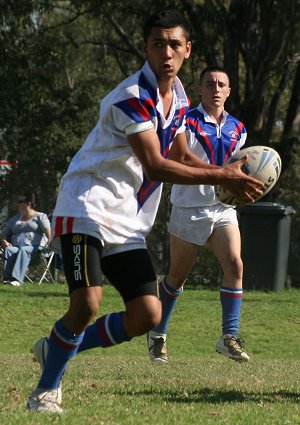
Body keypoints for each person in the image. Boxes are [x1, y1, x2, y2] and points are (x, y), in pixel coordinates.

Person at [27, 10, 263, 414]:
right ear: (145, 49)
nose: (166, 53)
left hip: (126, 220)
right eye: (158, 44)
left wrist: (221, 178)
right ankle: (45, 393)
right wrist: (223, 173)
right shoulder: (132, 96)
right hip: (86, 204)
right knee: (87, 303)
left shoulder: (182, 98)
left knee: (147, 314)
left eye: (174, 45)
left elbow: (179, 153)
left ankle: (56, 347)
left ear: (187, 50)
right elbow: (155, 165)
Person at [147, 66, 250, 364]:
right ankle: (158, 336)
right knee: (177, 277)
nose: (216, 88)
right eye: (210, 83)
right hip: (189, 207)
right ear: (200, 89)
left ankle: (228, 337)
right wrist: (220, 175)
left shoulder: (239, 128)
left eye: (222, 84)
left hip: (223, 209)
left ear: (229, 91)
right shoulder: (186, 120)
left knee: (235, 264)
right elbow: (178, 157)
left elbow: (241, 168)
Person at [0, 192, 51, 286]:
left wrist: (50, 243)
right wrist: (4, 242)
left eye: (20, 201)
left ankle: (17, 280)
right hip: (18, 248)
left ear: (28, 203)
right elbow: (3, 234)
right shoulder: (15, 219)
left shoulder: (40, 216)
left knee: (24, 250)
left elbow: (47, 231)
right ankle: (8, 278)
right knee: (10, 250)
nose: (17, 204)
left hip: (37, 250)